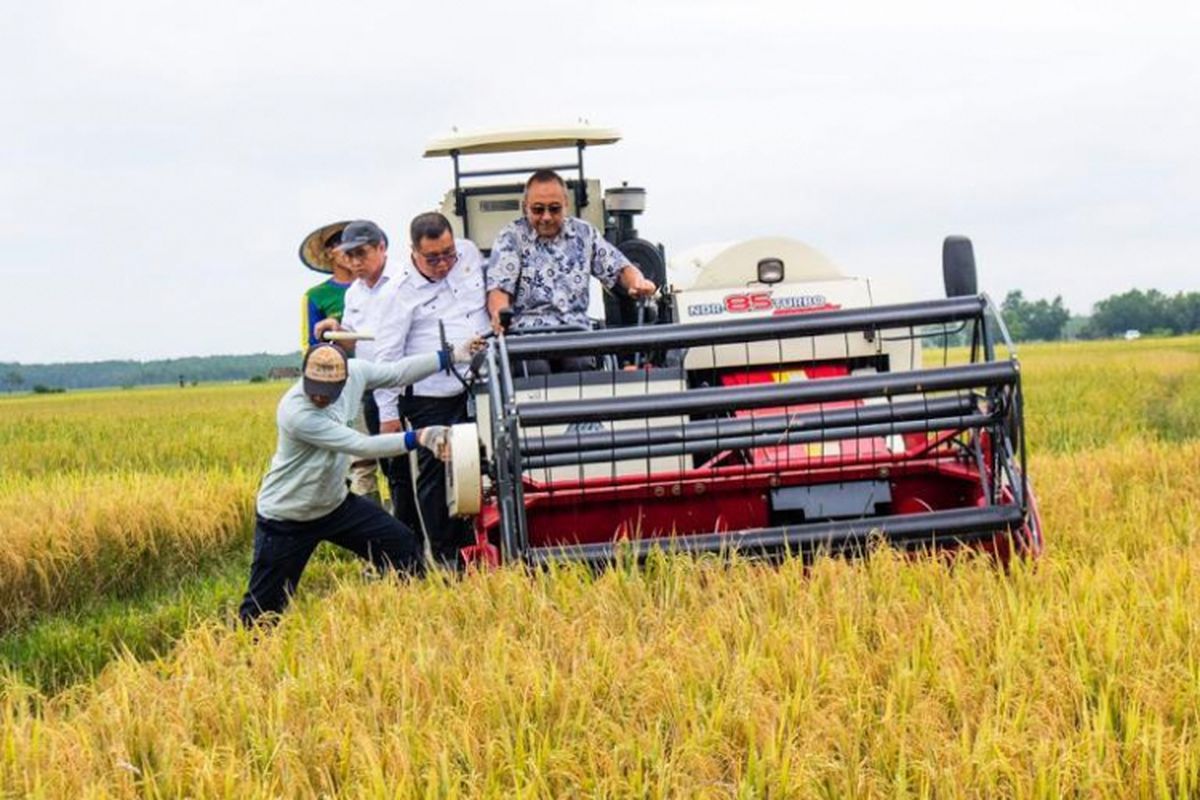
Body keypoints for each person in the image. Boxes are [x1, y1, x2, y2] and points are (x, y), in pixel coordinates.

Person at [238, 340, 479, 625]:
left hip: (335, 504)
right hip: (287, 516)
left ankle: (408, 620)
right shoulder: (296, 413)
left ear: (344, 379)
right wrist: (420, 437)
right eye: (314, 390)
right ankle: (245, 655)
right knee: (263, 611)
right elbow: (361, 446)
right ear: (304, 376)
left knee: (402, 547)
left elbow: (397, 373)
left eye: (328, 393)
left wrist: (447, 356)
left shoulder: (357, 372)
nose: (319, 398)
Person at [371, 211, 490, 568]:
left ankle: (486, 543)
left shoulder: (468, 254)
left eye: (447, 253)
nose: (443, 264)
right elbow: (387, 356)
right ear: (413, 253)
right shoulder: (398, 293)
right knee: (437, 472)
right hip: (428, 394)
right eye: (433, 258)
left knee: (485, 464)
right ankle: (447, 556)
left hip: (479, 383)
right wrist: (388, 414)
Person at [485, 169, 657, 372]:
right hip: (527, 338)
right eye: (538, 210)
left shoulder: (584, 234)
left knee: (579, 366)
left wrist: (638, 282)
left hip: (575, 333)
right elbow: (499, 290)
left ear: (566, 205)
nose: (546, 217)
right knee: (534, 370)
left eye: (554, 209)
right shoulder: (510, 238)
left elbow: (619, 268)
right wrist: (498, 315)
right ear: (525, 208)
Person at [298, 221, 354, 350]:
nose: (349, 249)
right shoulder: (315, 296)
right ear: (329, 252)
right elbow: (311, 345)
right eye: (341, 242)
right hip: (340, 366)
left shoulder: (374, 287)